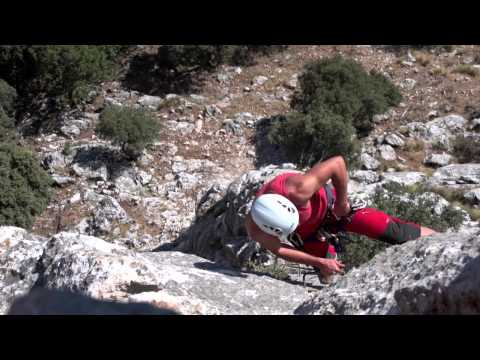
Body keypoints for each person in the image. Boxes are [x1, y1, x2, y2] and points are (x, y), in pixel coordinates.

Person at [245, 156, 437, 281]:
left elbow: (338, 163)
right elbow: (279, 248)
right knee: (327, 273)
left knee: (396, 232)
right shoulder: (255, 227)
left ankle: (449, 242)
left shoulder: (299, 188)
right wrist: (318, 262)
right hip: (308, 233)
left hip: (333, 208)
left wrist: (342, 203)